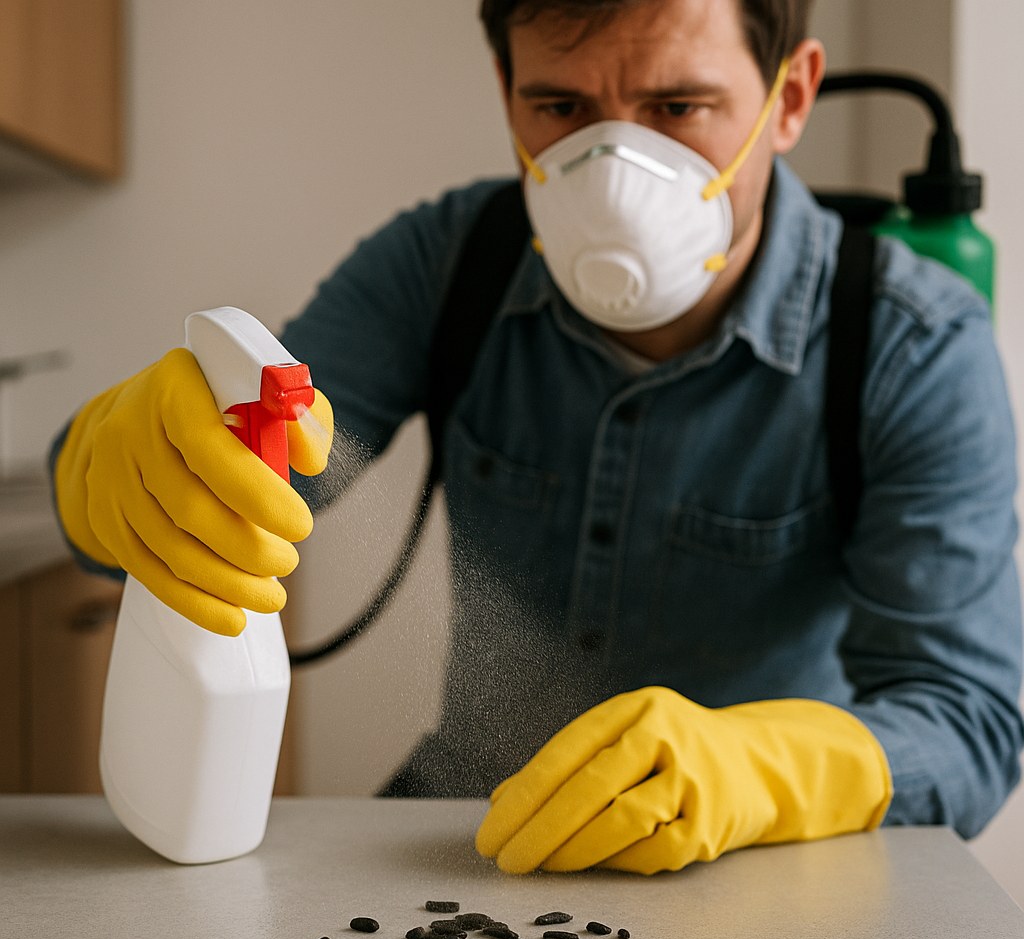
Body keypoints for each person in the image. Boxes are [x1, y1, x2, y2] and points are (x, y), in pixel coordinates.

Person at [51, 0, 1023, 875]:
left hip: (745, 873)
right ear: (506, 89)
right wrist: (110, 473)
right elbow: (230, 487)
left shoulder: (907, 343)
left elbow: (969, 720)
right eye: (558, 109)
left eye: (679, 109)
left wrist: (762, 771)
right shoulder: (447, 263)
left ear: (790, 96)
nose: (611, 177)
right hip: (464, 842)